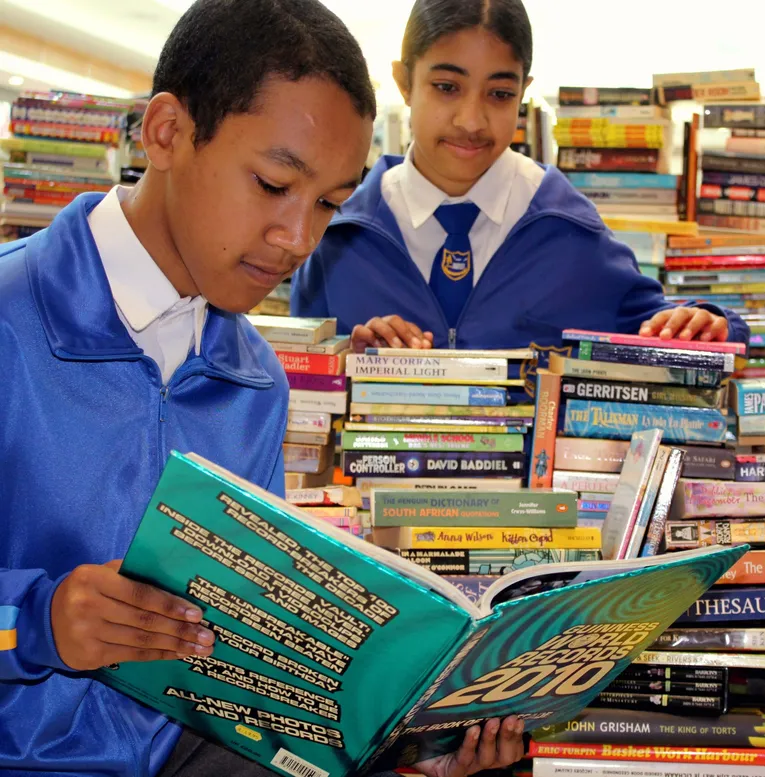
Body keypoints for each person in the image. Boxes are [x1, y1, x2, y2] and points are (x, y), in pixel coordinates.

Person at [0, 2, 523, 776]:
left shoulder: (256, 381)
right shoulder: (12, 324)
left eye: (328, 203)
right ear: (168, 131)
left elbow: (246, 668)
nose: (298, 238)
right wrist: (33, 622)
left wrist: (407, 749)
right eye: (274, 182)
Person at [290, 0, 749, 355]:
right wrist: (350, 363)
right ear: (404, 82)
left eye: (499, 93)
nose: (471, 120)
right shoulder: (337, 237)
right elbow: (305, 386)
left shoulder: (571, 234)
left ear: (524, 94)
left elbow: (668, 326)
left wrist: (708, 320)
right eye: (446, 87)